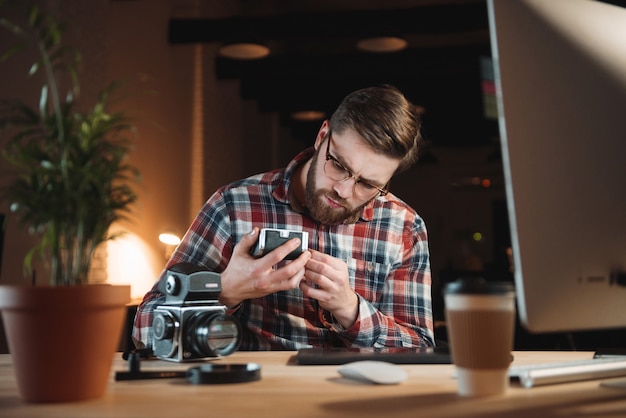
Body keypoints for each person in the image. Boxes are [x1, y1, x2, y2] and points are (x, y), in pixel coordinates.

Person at [132, 85, 434, 350]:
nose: (343, 190)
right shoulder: (234, 206)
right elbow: (145, 329)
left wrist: (350, 309)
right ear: (322, 135)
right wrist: (224, 291)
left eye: (367, 184)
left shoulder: (404, 227)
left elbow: (420, 349)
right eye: (339, 165)